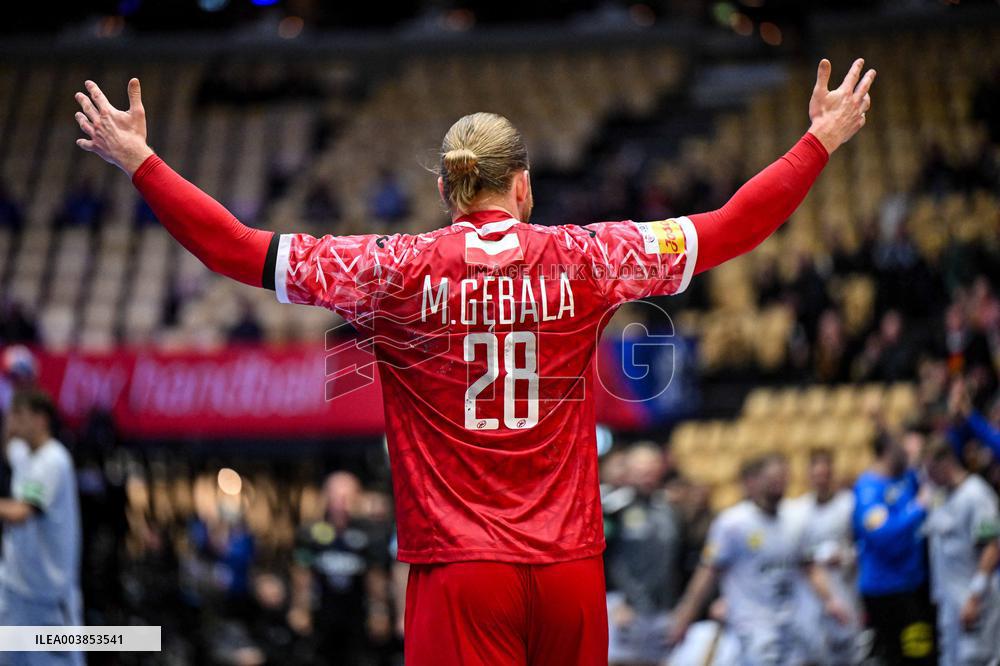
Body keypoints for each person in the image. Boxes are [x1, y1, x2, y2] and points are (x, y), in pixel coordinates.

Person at [72, 56, 875, 666]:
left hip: (458, 568)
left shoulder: (389, 269)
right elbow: (732, 225)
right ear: (520, 187)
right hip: (567, 567)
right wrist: (820, 140)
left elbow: (235, 249)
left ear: (448, 193)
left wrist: (142, 161)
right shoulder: (588, 255)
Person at [667, 453, 851, 665]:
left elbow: (808, 565)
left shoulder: (795, 520)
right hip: (752, 627)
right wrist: (685, 616)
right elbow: (708, 572)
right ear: (752, 481)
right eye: (772, 478)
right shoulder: (733, 523)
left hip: (792, 623)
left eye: (783, 477)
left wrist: (830, 599)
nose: (779, 483)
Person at [0, 389, 83, 666]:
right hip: (14, 589)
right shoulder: (25, 453)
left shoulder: (54, 460)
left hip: (47, 601)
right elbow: (9, 445)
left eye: (20, 415)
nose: (14, 421)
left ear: (41, 419)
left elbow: (22, 512)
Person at [288, 472, 391, 666]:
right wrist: (300, 608)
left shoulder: (371, 533)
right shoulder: (311, 532)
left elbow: (375, 575)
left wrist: (379, 612)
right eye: (335, 495)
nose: (340, 503)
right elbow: (302, 571)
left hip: (357, 612)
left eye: (346, 496)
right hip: (323, 612)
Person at [852, 432, 935, 664]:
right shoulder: (868, 489)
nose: (909, 457)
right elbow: (881, 533)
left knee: (921, 652)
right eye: (904, 452)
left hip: (913, 584)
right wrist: (917, 508)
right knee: (899, 655)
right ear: (888, 452)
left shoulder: (906, 477)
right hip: (886, 590)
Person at [604, 443, 683, 666]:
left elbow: (679, 558)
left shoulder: (668, 509)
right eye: (641, 467)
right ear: (627, 470)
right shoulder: (612, 507)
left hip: (661, 610)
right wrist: (612, 601)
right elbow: (598, 557)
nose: (647, 473)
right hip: (623, 608)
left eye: (652, 466)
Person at [923, 439, 1000, 666]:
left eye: (931, 471)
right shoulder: (939, 496)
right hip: (948, 602)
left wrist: (975, 596)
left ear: (946, 463)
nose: (929, 478)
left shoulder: (976, 494)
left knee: (977, 660)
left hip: (974, 600)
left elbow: (992, 546)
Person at [783, 448, 860, 665]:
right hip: (809, 590)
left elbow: (863, 544)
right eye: (816, 475)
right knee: (812, 651)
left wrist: (846, 556)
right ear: (809, 476)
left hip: (844, 584)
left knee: (847, 648)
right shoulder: (796, 510)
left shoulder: (848, 504)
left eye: (825, 475)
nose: (821, 480)